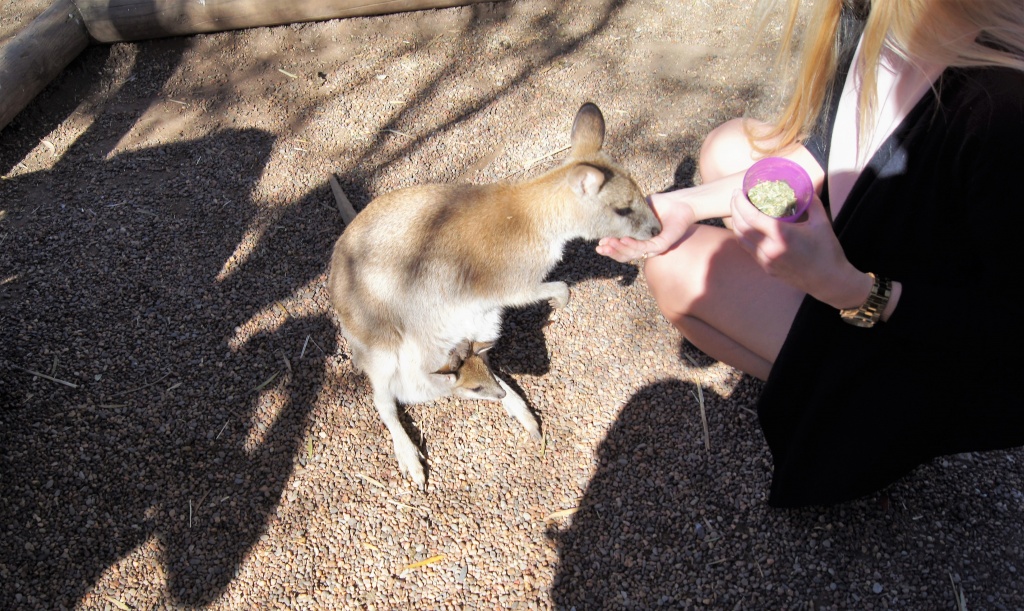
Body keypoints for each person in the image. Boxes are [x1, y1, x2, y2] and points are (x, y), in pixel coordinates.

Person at [597, 0, 1024, 507]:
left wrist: (849, 289)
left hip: (927, 340)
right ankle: (813, 346)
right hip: (888, 250)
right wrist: (687, 204)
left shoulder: (1002, 109)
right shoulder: (876, 12)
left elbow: (1005, 333)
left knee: (675, 271)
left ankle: (856, 416)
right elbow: (831, 144)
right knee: (725, 149)